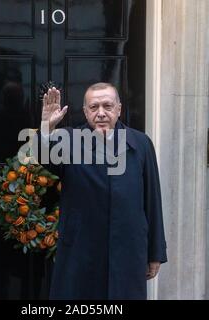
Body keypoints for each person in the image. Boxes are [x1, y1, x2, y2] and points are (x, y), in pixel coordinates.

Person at [37, 83, 167, 300]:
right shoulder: (68, 140)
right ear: (86, 111)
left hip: (128, 252)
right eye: (94, 107)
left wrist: (155, 253)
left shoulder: (141, 143)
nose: (101, 113)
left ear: (119, 109)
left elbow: (152, 201)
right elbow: (44, 160)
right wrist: (46, 129)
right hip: (81, 252)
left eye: (107, 106)